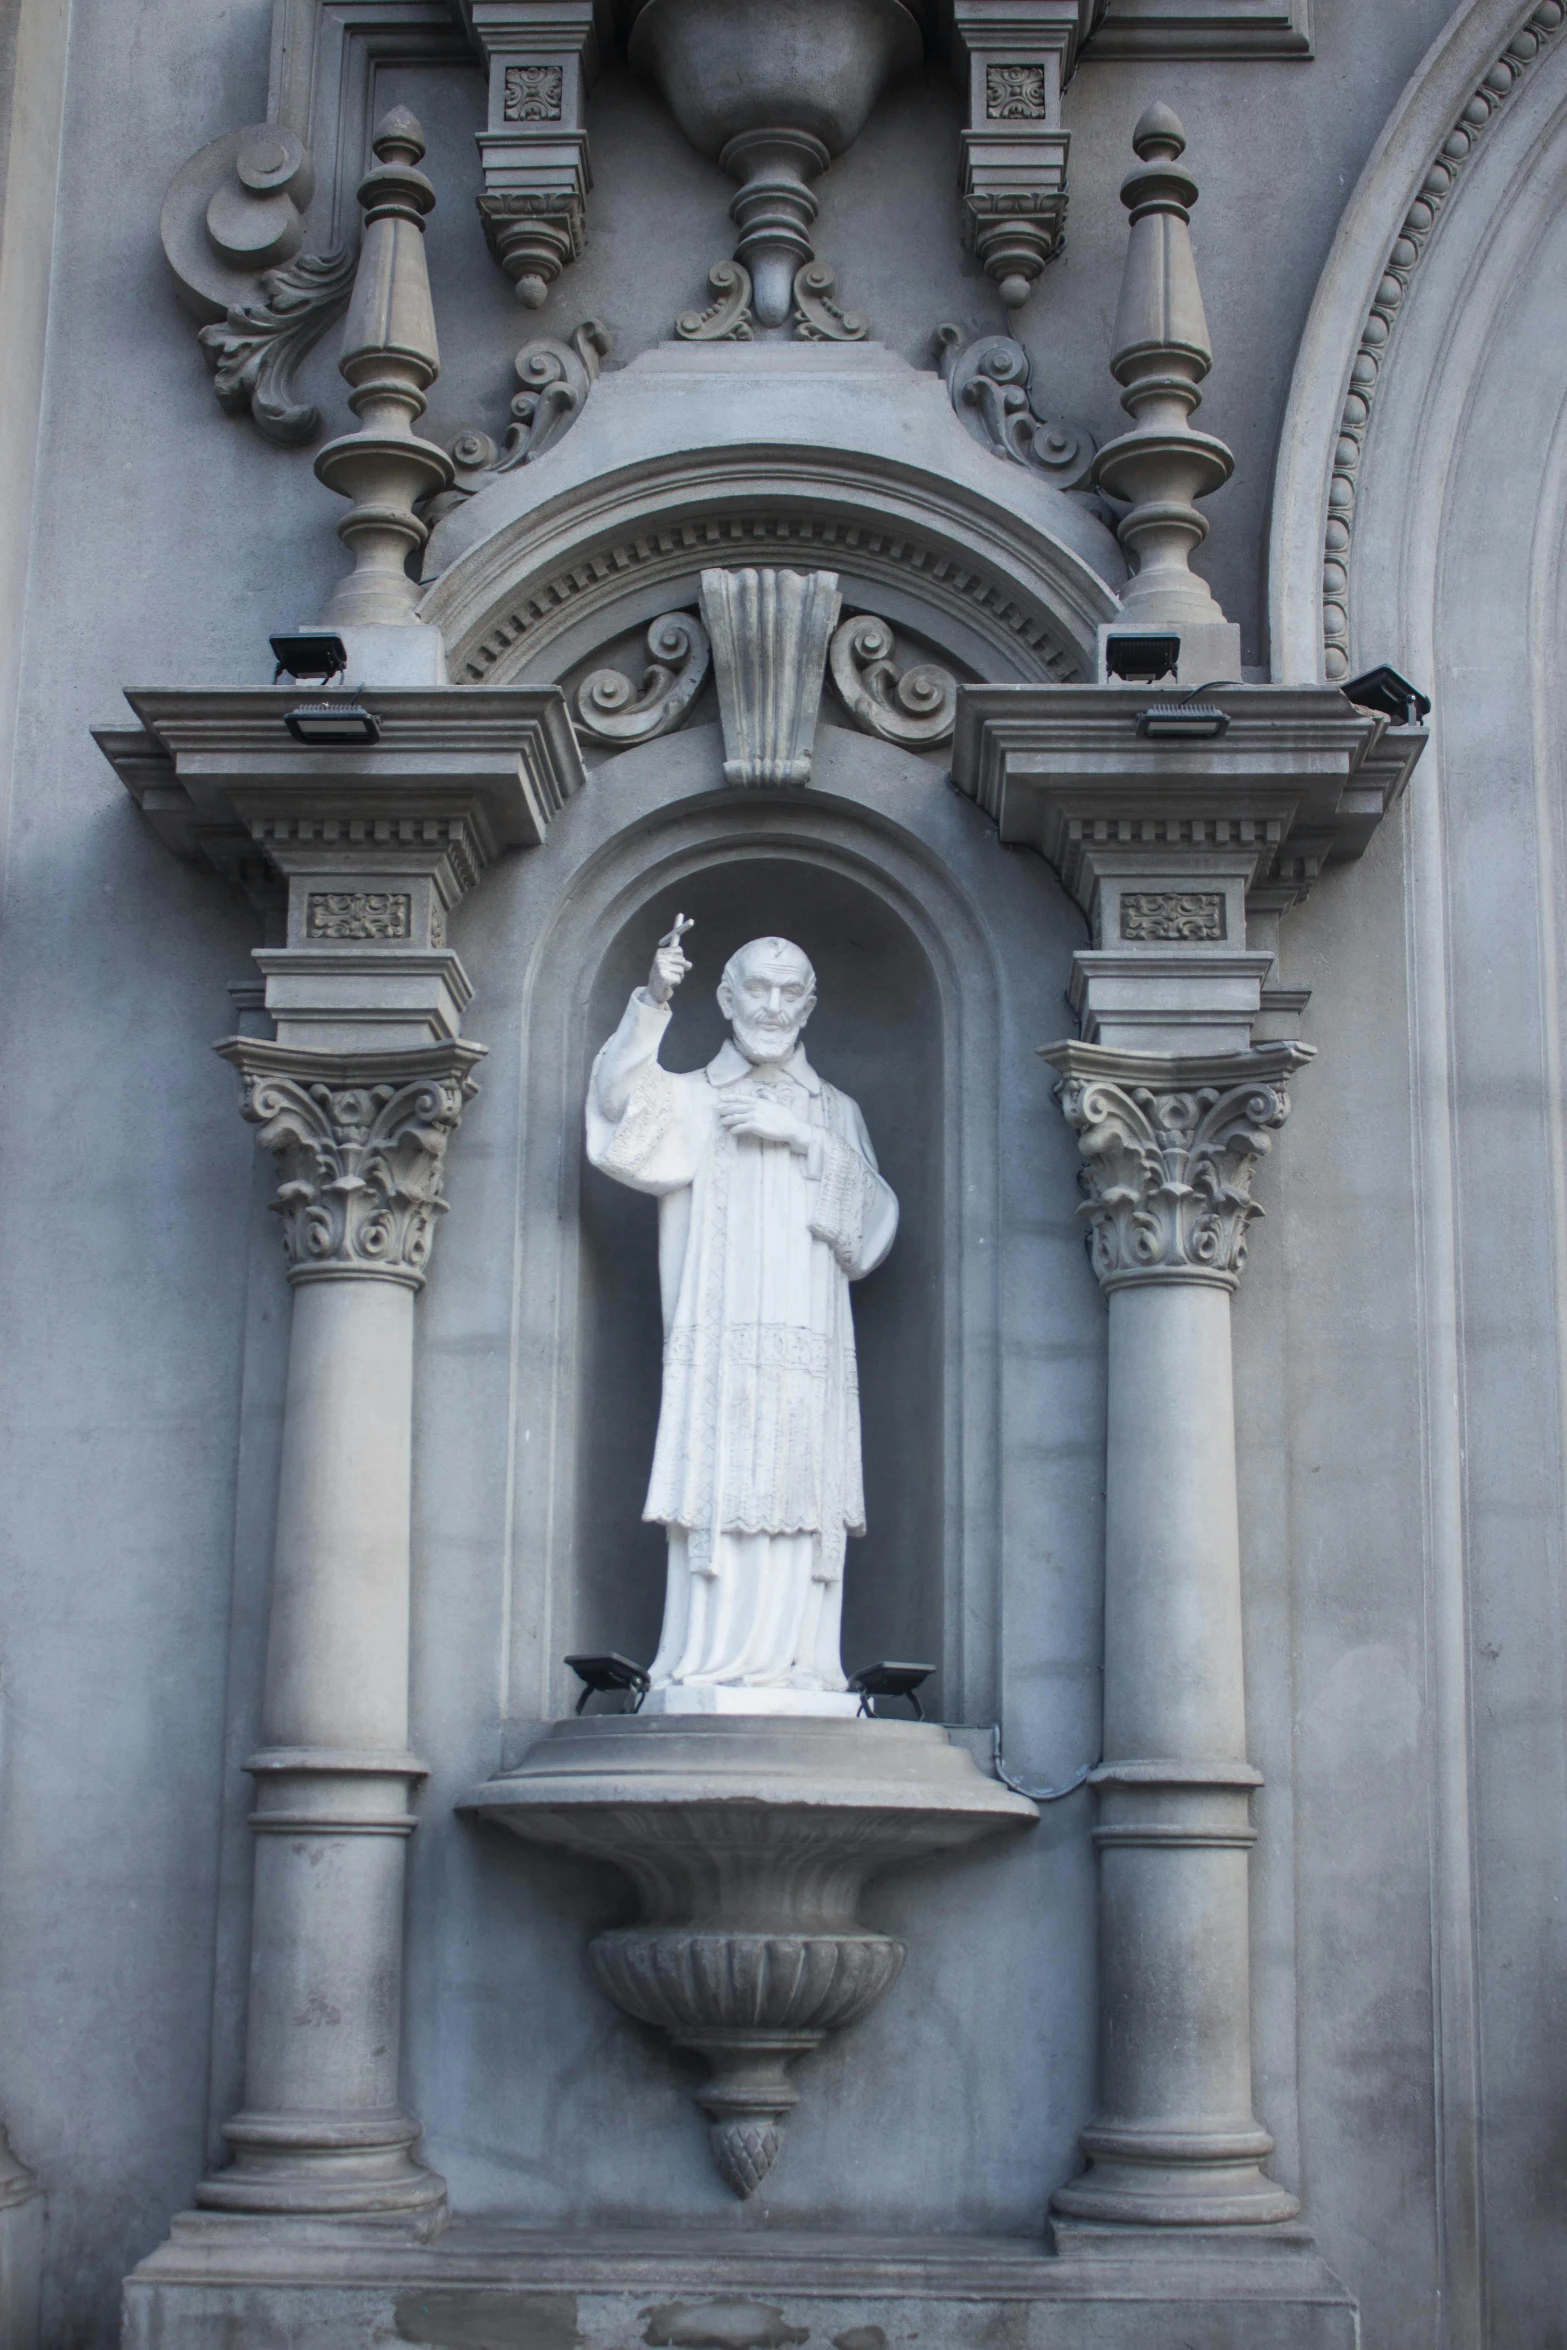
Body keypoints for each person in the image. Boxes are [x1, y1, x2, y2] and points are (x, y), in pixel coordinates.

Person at [586, 920, 897, 1708]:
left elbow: (870, 1228)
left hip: (806, 1349)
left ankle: (800, 1661)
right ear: (725, 998)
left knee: (797, 1478)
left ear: (810, 1005)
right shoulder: (694, 1098)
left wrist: (800, 1140)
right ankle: (707, 1658)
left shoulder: (834, 1112)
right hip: (722, 1344)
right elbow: (619, 1110)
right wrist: (651, 1002)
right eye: (756, 987)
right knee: (724, 1479)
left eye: (790, 991)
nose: (772, 1004)